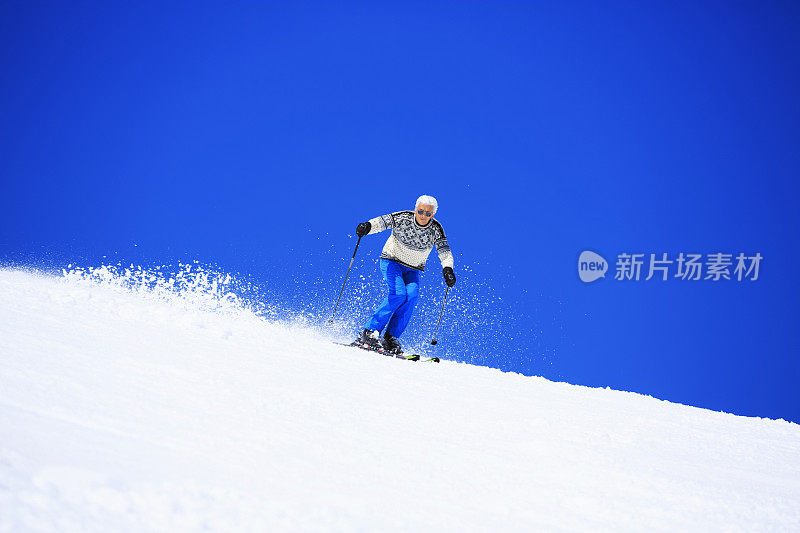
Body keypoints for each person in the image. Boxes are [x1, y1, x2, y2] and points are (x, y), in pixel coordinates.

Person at [354, 194, 456, 354]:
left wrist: (447, 268)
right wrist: (367, 226)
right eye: (421, 211)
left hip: (413, 269)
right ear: (416, 209)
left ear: (433, 215)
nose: (423, 216)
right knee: (398, 294)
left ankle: (390, 337)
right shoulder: (403, 217)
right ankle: (370, 332)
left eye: (428, 214)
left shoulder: (436, 229)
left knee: (411, 296)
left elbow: (444, 251)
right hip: (392, 261)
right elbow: (382, 222)